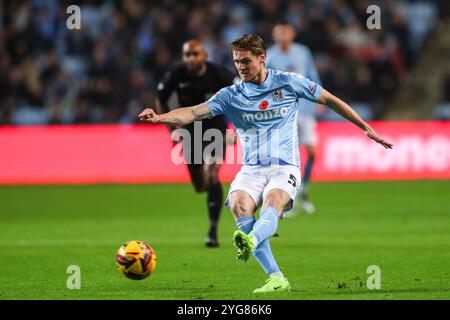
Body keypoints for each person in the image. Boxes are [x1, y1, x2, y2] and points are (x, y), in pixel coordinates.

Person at [139, 34, 393, 293]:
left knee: (273, 202)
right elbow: (193, 112)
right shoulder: (231, 94)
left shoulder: (289, 82)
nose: (241, 66)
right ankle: (276, 277)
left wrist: (365, 127)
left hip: (284, 166)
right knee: (239, 204)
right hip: (251, 168)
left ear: (262, 58)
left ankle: (251, 240)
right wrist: (160, 117)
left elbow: (329, 99)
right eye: (237, 61)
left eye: (246, 61)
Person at [155, 39, 235, 247]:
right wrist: (172, 129)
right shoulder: (176, 73)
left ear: (204, 56)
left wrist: (235, 129)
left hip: (216, 127)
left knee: (213, 174)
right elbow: (161, 98)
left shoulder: (220, 74)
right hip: (190, 130)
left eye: (195, 54)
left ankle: (212, 230)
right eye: (187, 55)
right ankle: (209, 190)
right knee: (200, 185)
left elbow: (240, 97)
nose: (191, 59)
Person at [266, 23, 322, 214]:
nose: (283, 36)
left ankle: (303, 191)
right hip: (283, 113)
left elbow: (312, 76)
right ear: (275, 36)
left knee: (312, 152)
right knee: (287, 156)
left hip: (305, 109)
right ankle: (286, 197)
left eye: (286, 32)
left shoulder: (303, 52)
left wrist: (319, 100)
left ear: (292, 34)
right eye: (279, 33)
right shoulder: (270, 56)